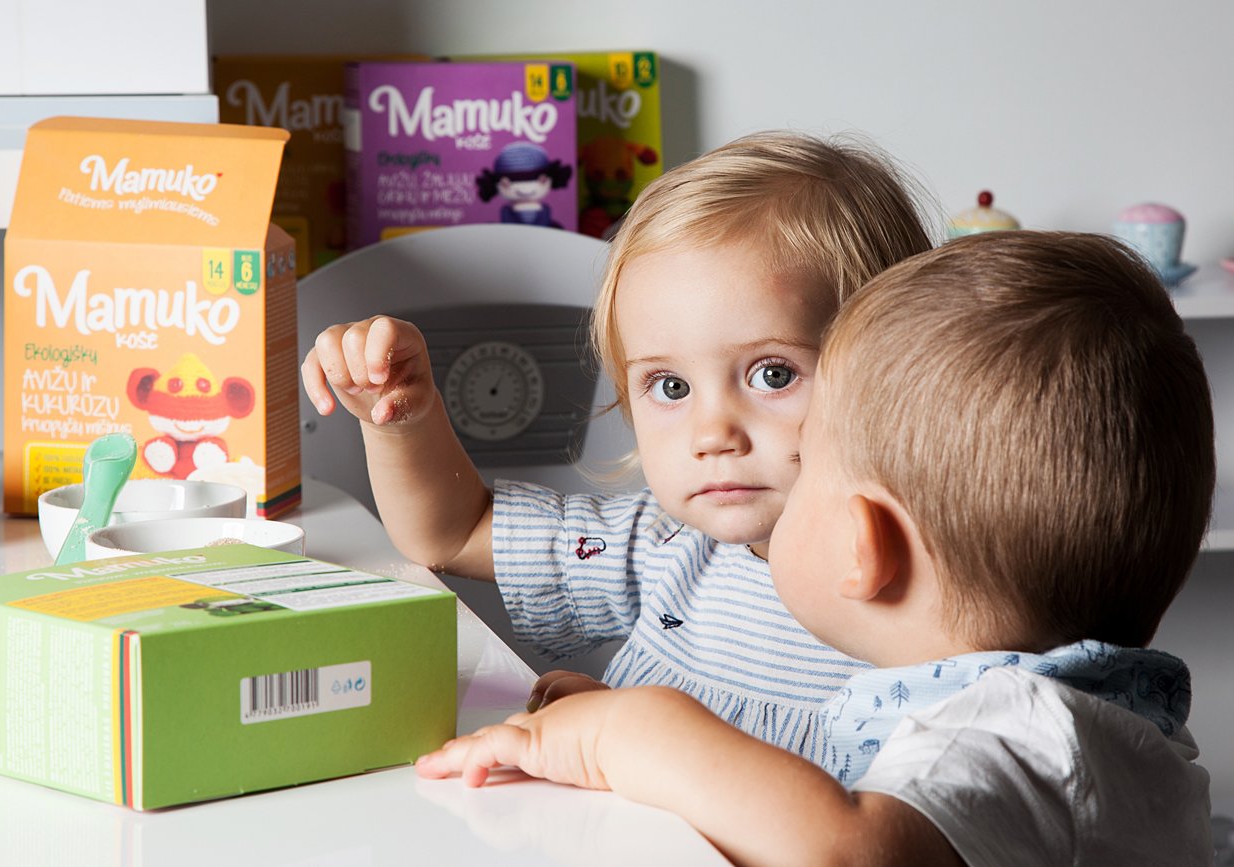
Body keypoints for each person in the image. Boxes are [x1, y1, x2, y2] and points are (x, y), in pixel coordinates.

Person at [414, 231, 1215, 865]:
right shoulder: (1083, 718)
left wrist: (625, 732)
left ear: (865, 548)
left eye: (811, 472)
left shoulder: (1020, 733)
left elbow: (845, 850)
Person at [302, 130, 934, 753]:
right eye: (670, 386)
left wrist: (626, 731)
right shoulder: (662, 545)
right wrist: (401, 418)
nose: (712, 435)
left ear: (896, 371)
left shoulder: (946, 598)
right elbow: (453, 534)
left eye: (772, 375)